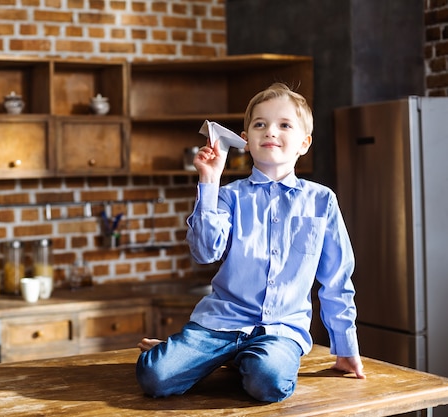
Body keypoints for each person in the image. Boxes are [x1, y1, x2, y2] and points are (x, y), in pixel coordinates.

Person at [136, 82, 365, 403]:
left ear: (304, 143)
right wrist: (210, 180)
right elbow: (204, 252)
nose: (270, 131)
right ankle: (204, 354)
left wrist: (346, 346)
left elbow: (336, 279)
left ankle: (231, 361)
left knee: (267, 382)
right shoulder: (228, 196)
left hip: (281, 332)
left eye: (284, 125)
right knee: (154, 377)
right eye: (260, 124)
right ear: (245, 140)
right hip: (218, 324)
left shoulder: (322, 201)